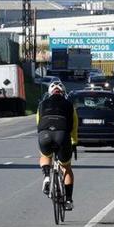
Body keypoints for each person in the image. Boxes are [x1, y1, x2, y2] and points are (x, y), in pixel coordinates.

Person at [36, 81, 78, 210]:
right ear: (63, 93)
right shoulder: (69, 105)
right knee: (66, 167)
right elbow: (74, 126)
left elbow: (38, 123)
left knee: (45, 155)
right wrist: (74, 142)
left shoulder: (42, 104)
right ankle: (69, 200)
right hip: (62, 134)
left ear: (49, 93)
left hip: (45, 134)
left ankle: (47, 176)